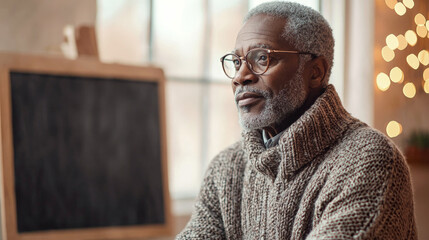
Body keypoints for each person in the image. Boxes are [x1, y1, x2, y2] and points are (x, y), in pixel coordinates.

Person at [176, 2, 417, 239]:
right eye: (237, 62)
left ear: (315, 72)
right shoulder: (225, 170)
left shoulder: (370, 159)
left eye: (262, 58)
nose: (240, 77)